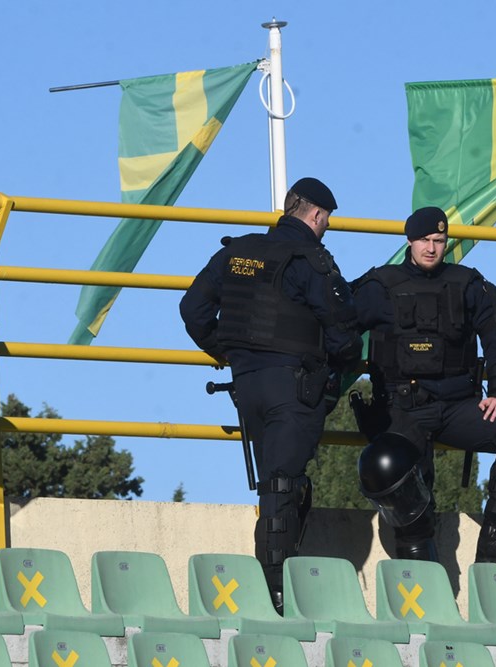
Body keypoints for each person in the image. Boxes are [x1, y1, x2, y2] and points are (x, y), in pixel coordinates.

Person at [179, 177, 362, 611]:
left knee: (277, 483)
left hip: (246, 385)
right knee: (282, 485)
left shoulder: (237, 253)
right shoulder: (311, 260)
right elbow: (344, 337)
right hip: (292, 387)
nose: (326, 227)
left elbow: (192, 310)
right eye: (327, 220)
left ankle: (280, 579)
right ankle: (276, 594)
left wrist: (226, 352)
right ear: (316, 215)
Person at [352, 206, 496, 566]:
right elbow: (336, 329)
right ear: (410, 241)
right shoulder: (380, 286)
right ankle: (418, 563)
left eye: (439, 240)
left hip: (458, 407)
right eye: (424, 240)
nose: (431, 248)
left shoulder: (467, 284)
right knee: (393, 464)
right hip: (401, 408)